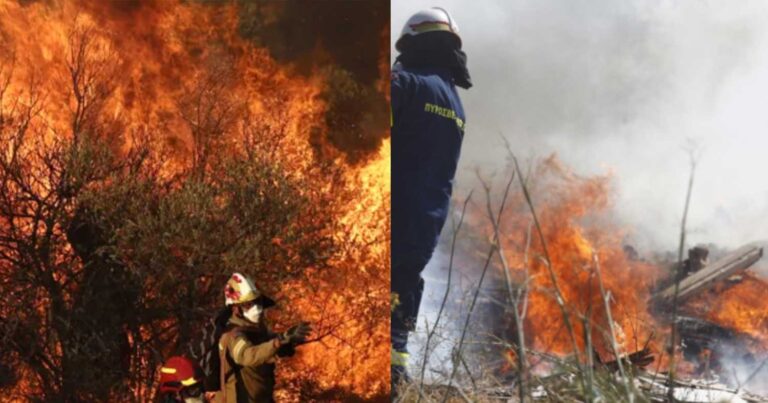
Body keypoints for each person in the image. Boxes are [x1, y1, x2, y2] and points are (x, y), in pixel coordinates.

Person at [391, 7, 472, 387]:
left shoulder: (403, 83)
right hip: (427, 219)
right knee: (404, 282)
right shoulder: (455, 105)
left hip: (389, 211)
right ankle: (395, 370)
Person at [216, 272, 311, 403]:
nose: (257, 308)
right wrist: (278, 342)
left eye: (258, 302)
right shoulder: (232, 335)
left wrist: (289, 339)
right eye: (249, 304)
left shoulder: (255, 330)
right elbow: (247, 356)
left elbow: (269, 344)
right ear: (236, 309)